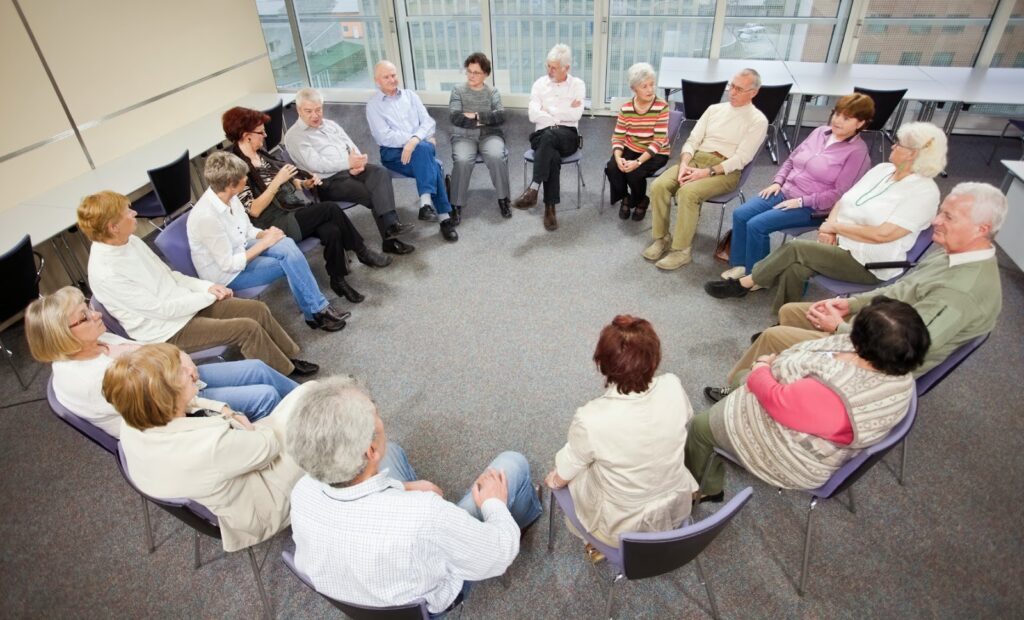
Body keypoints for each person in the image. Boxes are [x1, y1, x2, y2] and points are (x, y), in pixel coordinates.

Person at [704, 182, 1005, 401]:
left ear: (981, 228)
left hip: (883, 361)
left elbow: (904, 354)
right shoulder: (951, 251)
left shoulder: (962, 292)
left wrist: (839, 328)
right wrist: (851, 305)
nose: (936, 221)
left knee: (774, 335)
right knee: (790, 312)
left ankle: (741, 390)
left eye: (949, 217)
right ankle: (782, 369)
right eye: (942, 212)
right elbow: (902, 290)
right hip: (885, 326)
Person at [286, 377, 543, 615]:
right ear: (370, 450)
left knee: (393, 452)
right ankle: (522, 516)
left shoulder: (302, 491)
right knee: (512, 465)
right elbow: (497, 556)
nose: (379, 414)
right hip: (430, 598)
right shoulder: (425, 514)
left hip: (360, 588)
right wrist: (493, 503)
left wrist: (405, 488)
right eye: (374, 412)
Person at [686, 297, 930, 499]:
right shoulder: (900, 373)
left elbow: (774, 398)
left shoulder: (834, 395)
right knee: (742, 376)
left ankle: (706, 489)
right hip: (808, 422)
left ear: (862, 343)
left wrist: (762, 366)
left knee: (699, 427)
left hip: (795, 457)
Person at [705, 121, 948, 315]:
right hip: (840, 244)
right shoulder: (882, 171)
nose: (893, 147)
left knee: (796, 248)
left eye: (899, 145)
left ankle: (745, 284)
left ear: (914, 154)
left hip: (867, 262)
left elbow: (883, 234)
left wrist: (835, 227)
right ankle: (784, 321)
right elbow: (843, 200)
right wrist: (829, 229)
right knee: (796, 269)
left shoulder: (924, 192)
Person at [80, 190, 317, 378]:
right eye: (127, 212)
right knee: (247, 328)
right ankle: (283, 374)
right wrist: (207, 297)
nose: (134, 213)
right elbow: (161, 310)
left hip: (186, 304)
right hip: (166, 330)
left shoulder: (128, 241)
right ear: (113, 227)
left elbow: (170, 276)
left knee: (257, 309)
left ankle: (287, 360)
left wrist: (206, 287)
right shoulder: (106, 272)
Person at [105, 344, 307, 552]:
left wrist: (225, 409)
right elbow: (269, 445)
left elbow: (189, 402)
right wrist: (242, 422)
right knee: (311, 404)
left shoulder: (133, 421)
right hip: (261, 501)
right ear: (166, 396)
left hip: (222, 481)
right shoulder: (209, 445)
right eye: (181, 373)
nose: (191, 371)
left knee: (303, 398)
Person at [25, 286, 298, 437]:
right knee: (264, 396)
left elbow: (152, 349)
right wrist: (219, 406)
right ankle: (303, 440)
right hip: (171, 413)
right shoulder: (91, 379)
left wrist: (181, 359)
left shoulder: (94, 340)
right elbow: (160, 411)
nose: (97, 316)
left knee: (257, 368)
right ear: (62, 336)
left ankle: (313, 405)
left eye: (89, 308)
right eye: (84, 317)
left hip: (174, 379)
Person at [544, 315, 698, 556]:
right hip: (675, 508)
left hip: (621, 529)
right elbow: (684, 418)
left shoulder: (591, 418)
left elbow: (567, 467)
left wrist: (555, 479)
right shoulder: (673, 385)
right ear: (654, 358)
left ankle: (594, 542)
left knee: (573, 472)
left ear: (602, 364)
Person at [224, 106, 392, 304]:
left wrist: (304, 183)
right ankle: (362, 251)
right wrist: (278, 180)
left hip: (291, 210)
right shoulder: (235, 167)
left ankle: (338, 280)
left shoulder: (262, 155)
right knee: (329, 208)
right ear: (246, 136)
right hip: (272, 223)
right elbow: (253, 209)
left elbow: (289, 180)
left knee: (331, 230)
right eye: (261, 132)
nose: (266, 135)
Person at [187, 151, 349, 331]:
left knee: (286, 244)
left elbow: (247, 229)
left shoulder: (229, 197)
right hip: (228, 275)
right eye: (243, 178)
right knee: (291, 262)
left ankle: (316, 312)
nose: (246, 180)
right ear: (231, 185)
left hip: (240, 248)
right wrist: (265, 243)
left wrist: (266, 234)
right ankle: (317, 311)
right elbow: (228, 265)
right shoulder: (206, 218)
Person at [721, 93, 874, 278]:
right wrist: (778, 182)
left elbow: (840, 193)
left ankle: (758, 275)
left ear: (860, 123)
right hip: (785, 191)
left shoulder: (857, 152)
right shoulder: (819, 132)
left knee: (757, 224)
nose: (838, 120)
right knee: (741, 214)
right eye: (837, 114)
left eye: (846, 118)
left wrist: (801, 202)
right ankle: (740, 264)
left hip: (814, 207)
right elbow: (792, 159)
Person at [644, 69, 768, 270]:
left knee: (688, 192)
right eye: (732, 86)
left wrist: (706, 172)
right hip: (696, 159)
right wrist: (684, 162)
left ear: (754, 92)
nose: (732, 92)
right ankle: (661, 238)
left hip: (725, 170)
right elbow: (693, 140)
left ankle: (682, 251)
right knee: (659, 185)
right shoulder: (714, 109)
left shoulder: (758, 120)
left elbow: (741, 159)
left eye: (739, 89)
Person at [283, 87, 416, 256]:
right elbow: (317, 164)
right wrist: (347, 164)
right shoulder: (294, 136)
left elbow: (350, 145)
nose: (315, 115)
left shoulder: (330, 125)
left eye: (318, 110)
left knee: (381, 173)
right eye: (309, 111)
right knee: (373, 192)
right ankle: (390, 239)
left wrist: (357, 161)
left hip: (348, 168)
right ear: (298, 110)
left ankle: (391, 225)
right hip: (326, 182)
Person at [367, 60, 459, 242]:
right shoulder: (373, 105)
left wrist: (414, 141)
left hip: (419, 149)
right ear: (377, 80)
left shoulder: (410, 96)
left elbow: (429, 122)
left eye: (394, 75)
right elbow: (384, 136)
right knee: (430, 160)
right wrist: (415, 139)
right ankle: (442, 217)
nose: (392, 79)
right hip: (393, 154)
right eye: (386, 77)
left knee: (426, 154)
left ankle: (428, 205)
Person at [511, 43, 586, 232]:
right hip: (542, 135)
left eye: (554, 67)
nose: (549, 70)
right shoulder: (539, 84)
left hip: (568, 135)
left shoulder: (578, 85)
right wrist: (562, 111)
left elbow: (575, 115)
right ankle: (549, 208)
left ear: (566, 68)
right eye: (548, 66)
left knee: (550, 136)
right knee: (550, 152)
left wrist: (549, 110)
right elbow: (533, 115)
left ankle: (533, 189)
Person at [448, 52, 512, 219]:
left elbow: (500, 116)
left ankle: (503, 198)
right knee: (462, 160)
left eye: (476, 72)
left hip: (490, 135)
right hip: (463, 136)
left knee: (497, 156)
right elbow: (455, 117)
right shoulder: (458, 90)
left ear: (486, 74)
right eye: (469, 71)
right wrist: (485, 117)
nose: (471, 75)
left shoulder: (493, 92)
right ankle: (456, 204)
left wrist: (475, 116)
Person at [606, 62, 671, 222]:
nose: (650, 89)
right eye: (644, 86)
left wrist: (637, 162)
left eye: (652, 84)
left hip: (657, 152)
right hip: (632, 146)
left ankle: (640, 200)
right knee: (613, 168)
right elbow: (618, 137)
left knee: (634, 173)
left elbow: (658, 141)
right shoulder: (626, 108)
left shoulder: (661, 106)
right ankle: (628, 198)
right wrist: (618, 157)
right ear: (634, 88)